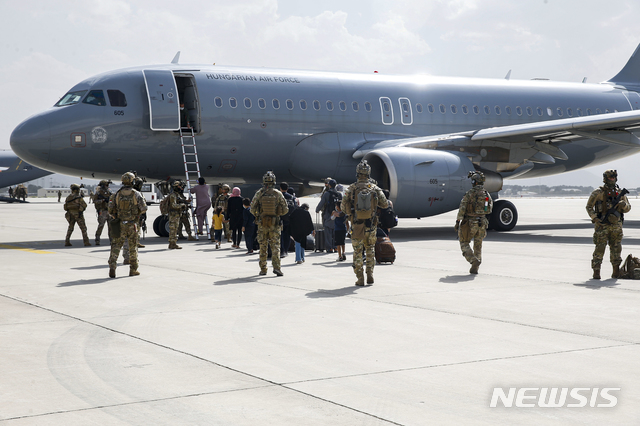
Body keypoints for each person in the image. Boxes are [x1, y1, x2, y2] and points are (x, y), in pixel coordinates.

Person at [342, 160, 388, 286]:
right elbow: (385, 204)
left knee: (357, 252)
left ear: (357, 173)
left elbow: (342, 206)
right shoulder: (374, 188)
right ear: (368, 174)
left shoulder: (351, 188)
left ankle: (360, 277)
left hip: (356, 225)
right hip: (371, 225)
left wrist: (351, 213)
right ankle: (370, 274)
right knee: (370, 249)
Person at [586, 169, 631, 279]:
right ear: (605, 179)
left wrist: (623, 205)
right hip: (602, 225)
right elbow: (589, 207)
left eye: (613, 177)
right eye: (610, 178)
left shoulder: (620, 193)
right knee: (600, 248)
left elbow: (628, 208)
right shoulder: (598, 192)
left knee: (616, 248)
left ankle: (615, 271)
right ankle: (596, 272)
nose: (612, 179)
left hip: (616, 226)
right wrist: (595, 219)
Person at [107, 172, 147, 278]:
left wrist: (117, 216)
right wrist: (136, 214)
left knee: (116, 246)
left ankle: (112, 266)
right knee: (133, 247)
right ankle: (133, 269)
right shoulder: (136, 194)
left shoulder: (116, 194)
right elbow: (144, 208)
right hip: (132, 225)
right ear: (132, 181)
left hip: (120, 224)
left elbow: (110, 210)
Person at [250, 171, 288, 276]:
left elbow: (252, 209)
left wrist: (259, 215)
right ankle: (277, 268)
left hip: (262, 224)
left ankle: (263, 269)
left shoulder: (259, 193)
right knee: (275, 247)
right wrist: (277, 213)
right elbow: (285, 210)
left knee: (263, 247)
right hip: (275, 225)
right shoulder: (277, 193)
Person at [455, 171, 493, 274]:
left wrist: (458, 221)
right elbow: (489, 209)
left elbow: (462, 208)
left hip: (470, 222)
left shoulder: (470, 193)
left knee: (464, 242)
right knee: (478, 245)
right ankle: (476, 265)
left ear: (474, 182)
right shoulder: (486, 194)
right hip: (482, 222)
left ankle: (473, 261)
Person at [316, 178, 341, 253]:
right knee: (335, 232)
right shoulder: (339, 194)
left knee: (328, 232)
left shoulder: (327, 193)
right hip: (337, 215)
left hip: (328, 214)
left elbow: (322, 203)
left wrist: (317, 210)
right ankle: (336, 247)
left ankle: (329, 248)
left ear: (329, 185)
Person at [167, 180, 189, 249]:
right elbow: (173, 205)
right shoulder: (173, 195)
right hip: (173, 215)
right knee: (173, 229)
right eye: (179, 186)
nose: (181, 188)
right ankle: (172, 243)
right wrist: (181, 205)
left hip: (176, 215)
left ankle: (172, 243)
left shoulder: (177, 195)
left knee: (175, 229)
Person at [93, 179, 112, 245]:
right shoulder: (98, 193)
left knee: (111, 227)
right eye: (106, 185)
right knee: (101, 225)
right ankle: (97, 239)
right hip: (102, 211)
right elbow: (95, 201)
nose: (107, 186)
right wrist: (103, 200)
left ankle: (111, 240)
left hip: (109, 211)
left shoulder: (109, 191)